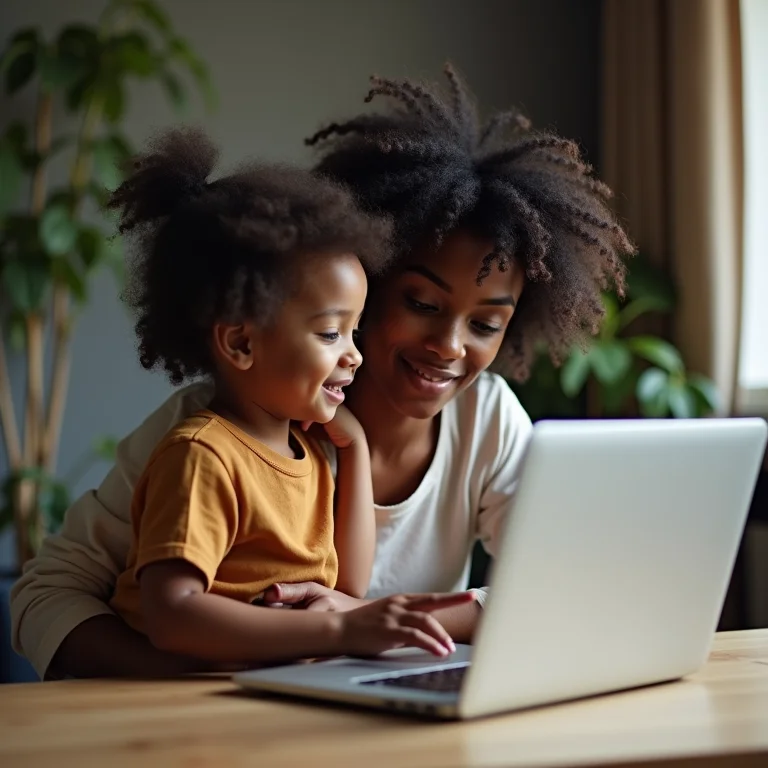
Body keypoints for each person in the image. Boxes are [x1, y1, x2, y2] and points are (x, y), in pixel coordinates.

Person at [11, 65, 632, 679]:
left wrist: (371, 618)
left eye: (486, 324)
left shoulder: (485, 418)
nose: (449, 345)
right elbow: (47, 596)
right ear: (367, 282)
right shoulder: (212, 433)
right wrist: (190, 677)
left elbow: (567, 590)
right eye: (421, 303)